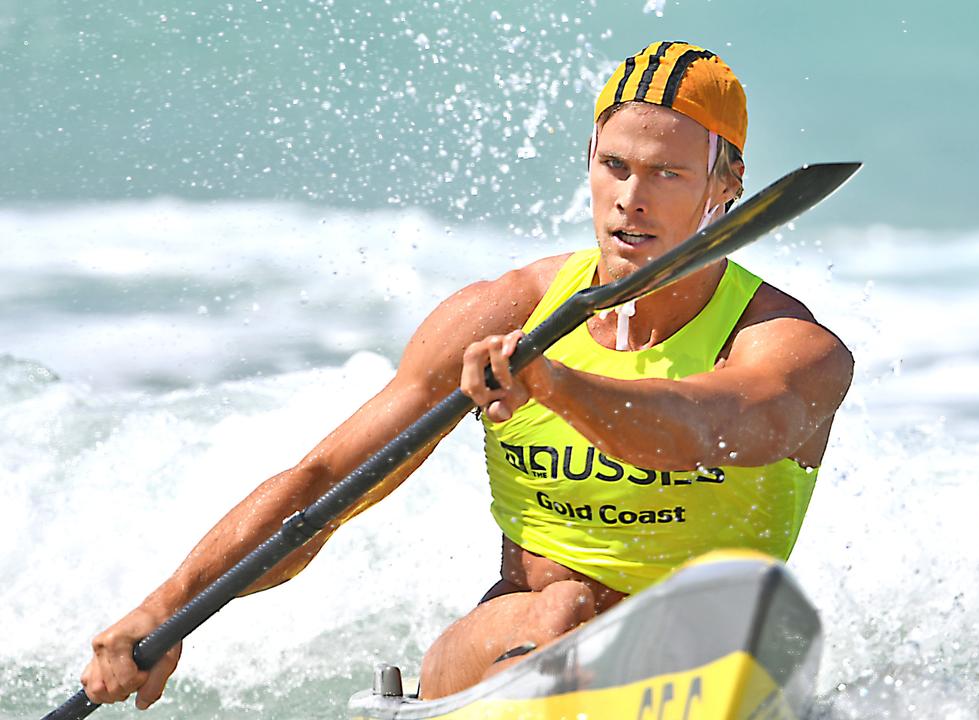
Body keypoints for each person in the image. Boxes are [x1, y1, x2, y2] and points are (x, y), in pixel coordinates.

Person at [79, 40, 853, 707]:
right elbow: (322, 486)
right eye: (613, 166)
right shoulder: (500, 312)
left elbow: (709, 427)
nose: (629, 201)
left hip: (709, 663)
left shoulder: (790, 347)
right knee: (563, 609)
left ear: (728, 184)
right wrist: (166, 607)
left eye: (667, 175)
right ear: (588, 162)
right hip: (513, 637)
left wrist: (558, 384)